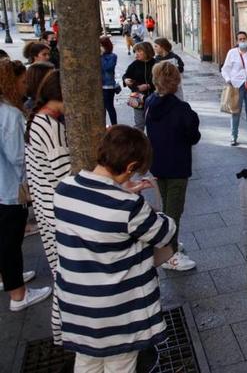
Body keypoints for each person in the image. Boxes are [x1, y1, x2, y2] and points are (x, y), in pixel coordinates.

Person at [54, 125, 176, 372]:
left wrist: (119, 189)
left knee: (86, 362)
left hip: (77, 306)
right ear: (130, 167)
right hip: (117, 313)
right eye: (134, 172)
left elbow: (95, 211)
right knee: (120, 364)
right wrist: (135, 200)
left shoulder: (64, 190)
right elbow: (164, 232)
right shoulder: (128, 206)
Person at [0, 59, 53, 311]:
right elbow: (18, 156)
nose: (25, 87)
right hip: (8, 189)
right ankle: (18, 295)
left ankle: (9, 280)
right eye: (21, 82)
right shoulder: (10, 114)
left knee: (5, 242)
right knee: (10, 243)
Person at [24, 70, 70, 344]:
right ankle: (63, 334)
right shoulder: (50, 126)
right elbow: (63, 177)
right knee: (65, 278)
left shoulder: (39, 118)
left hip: (46, 208)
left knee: (61, 274)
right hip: (55, 212)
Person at [145, 61, 201, 271]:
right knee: (174, 210)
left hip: (158, 163)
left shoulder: (150, 102)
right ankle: (170, 255)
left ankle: (171, 242)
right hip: (177, 164)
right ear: (176, 82)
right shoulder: (181, 109)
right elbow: (193, 137)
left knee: (167, 206)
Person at [221, 31, 247, 146]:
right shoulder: (232, 53)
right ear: (237, 41)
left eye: (244, 38)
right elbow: (225, 68)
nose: (243, 41)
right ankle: (233, 137)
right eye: (240, 39)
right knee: (235, 112)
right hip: (236, 85)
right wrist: (228, 80)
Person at [122, 41, 156, 131]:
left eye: (139, 51)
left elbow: (162, 80)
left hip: (154, 98)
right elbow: (126, 75)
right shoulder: (134, 64)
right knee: (139, 124)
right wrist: (125, 80)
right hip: (137, 97)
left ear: (147, 51)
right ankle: (139, 144)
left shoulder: (156, 64)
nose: (136, 53)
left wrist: (149, 86)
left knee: (153, 123)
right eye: (135, 51)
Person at [100, 37, 118, 126]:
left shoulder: (112, 56)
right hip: (98, 86)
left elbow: (107, 68)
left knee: (109, 107)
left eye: (101, 45)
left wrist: (102, 56)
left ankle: (115, 125)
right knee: (101, 108)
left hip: (108, 86)